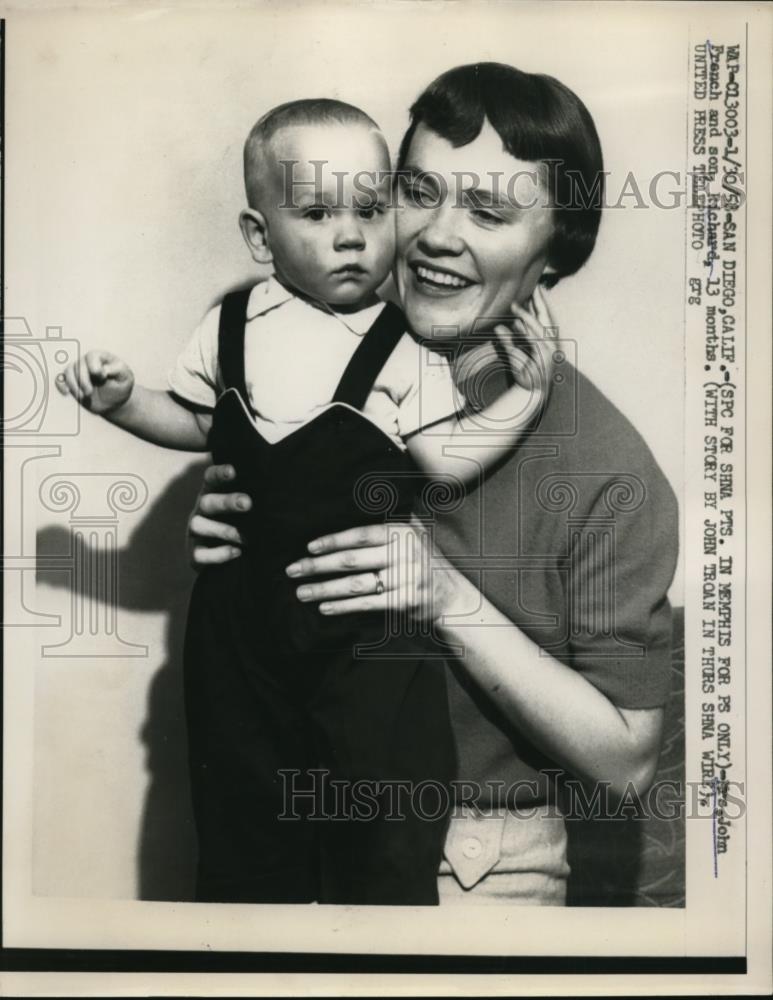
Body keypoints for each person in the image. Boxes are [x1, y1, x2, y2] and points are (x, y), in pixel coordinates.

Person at [189, 63, 679, 906]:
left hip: (465, 859)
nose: (434, 236)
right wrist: (231, 529)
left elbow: (627, 762)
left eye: (488, 212)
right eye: (417, 191)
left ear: (555, 253)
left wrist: (444, 596)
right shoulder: (294, 354)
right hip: (279, 818)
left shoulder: (607, 469)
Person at [55, 97, 551, 905]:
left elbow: (442, 459)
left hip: (359, 635)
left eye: (368, 208)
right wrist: (120, 401)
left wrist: (519, 405)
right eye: (318, 212)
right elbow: (197, 423)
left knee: (376, 824)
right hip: (239, 631)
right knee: (246, 825)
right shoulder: (231, 326)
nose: (350, 234)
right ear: (260, 236)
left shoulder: (405, 344)